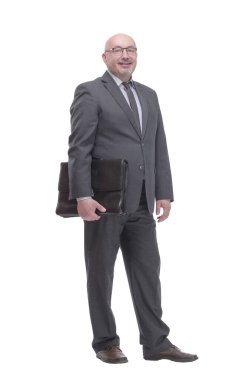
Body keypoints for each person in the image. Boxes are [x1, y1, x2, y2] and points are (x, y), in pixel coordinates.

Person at [68, 33, 198, 364]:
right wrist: (82, 195)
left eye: (130, 50)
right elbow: (79, 147)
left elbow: (157, 145)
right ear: (105, 57)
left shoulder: (149, 95)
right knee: (101, 272)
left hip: (142, 200)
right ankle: (105, 342)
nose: (125, 55)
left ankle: (156, 342)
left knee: (147, 271)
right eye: (118, 50)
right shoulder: (90, 92)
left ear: (136, 55)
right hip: (104, 201)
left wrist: (164, 192)